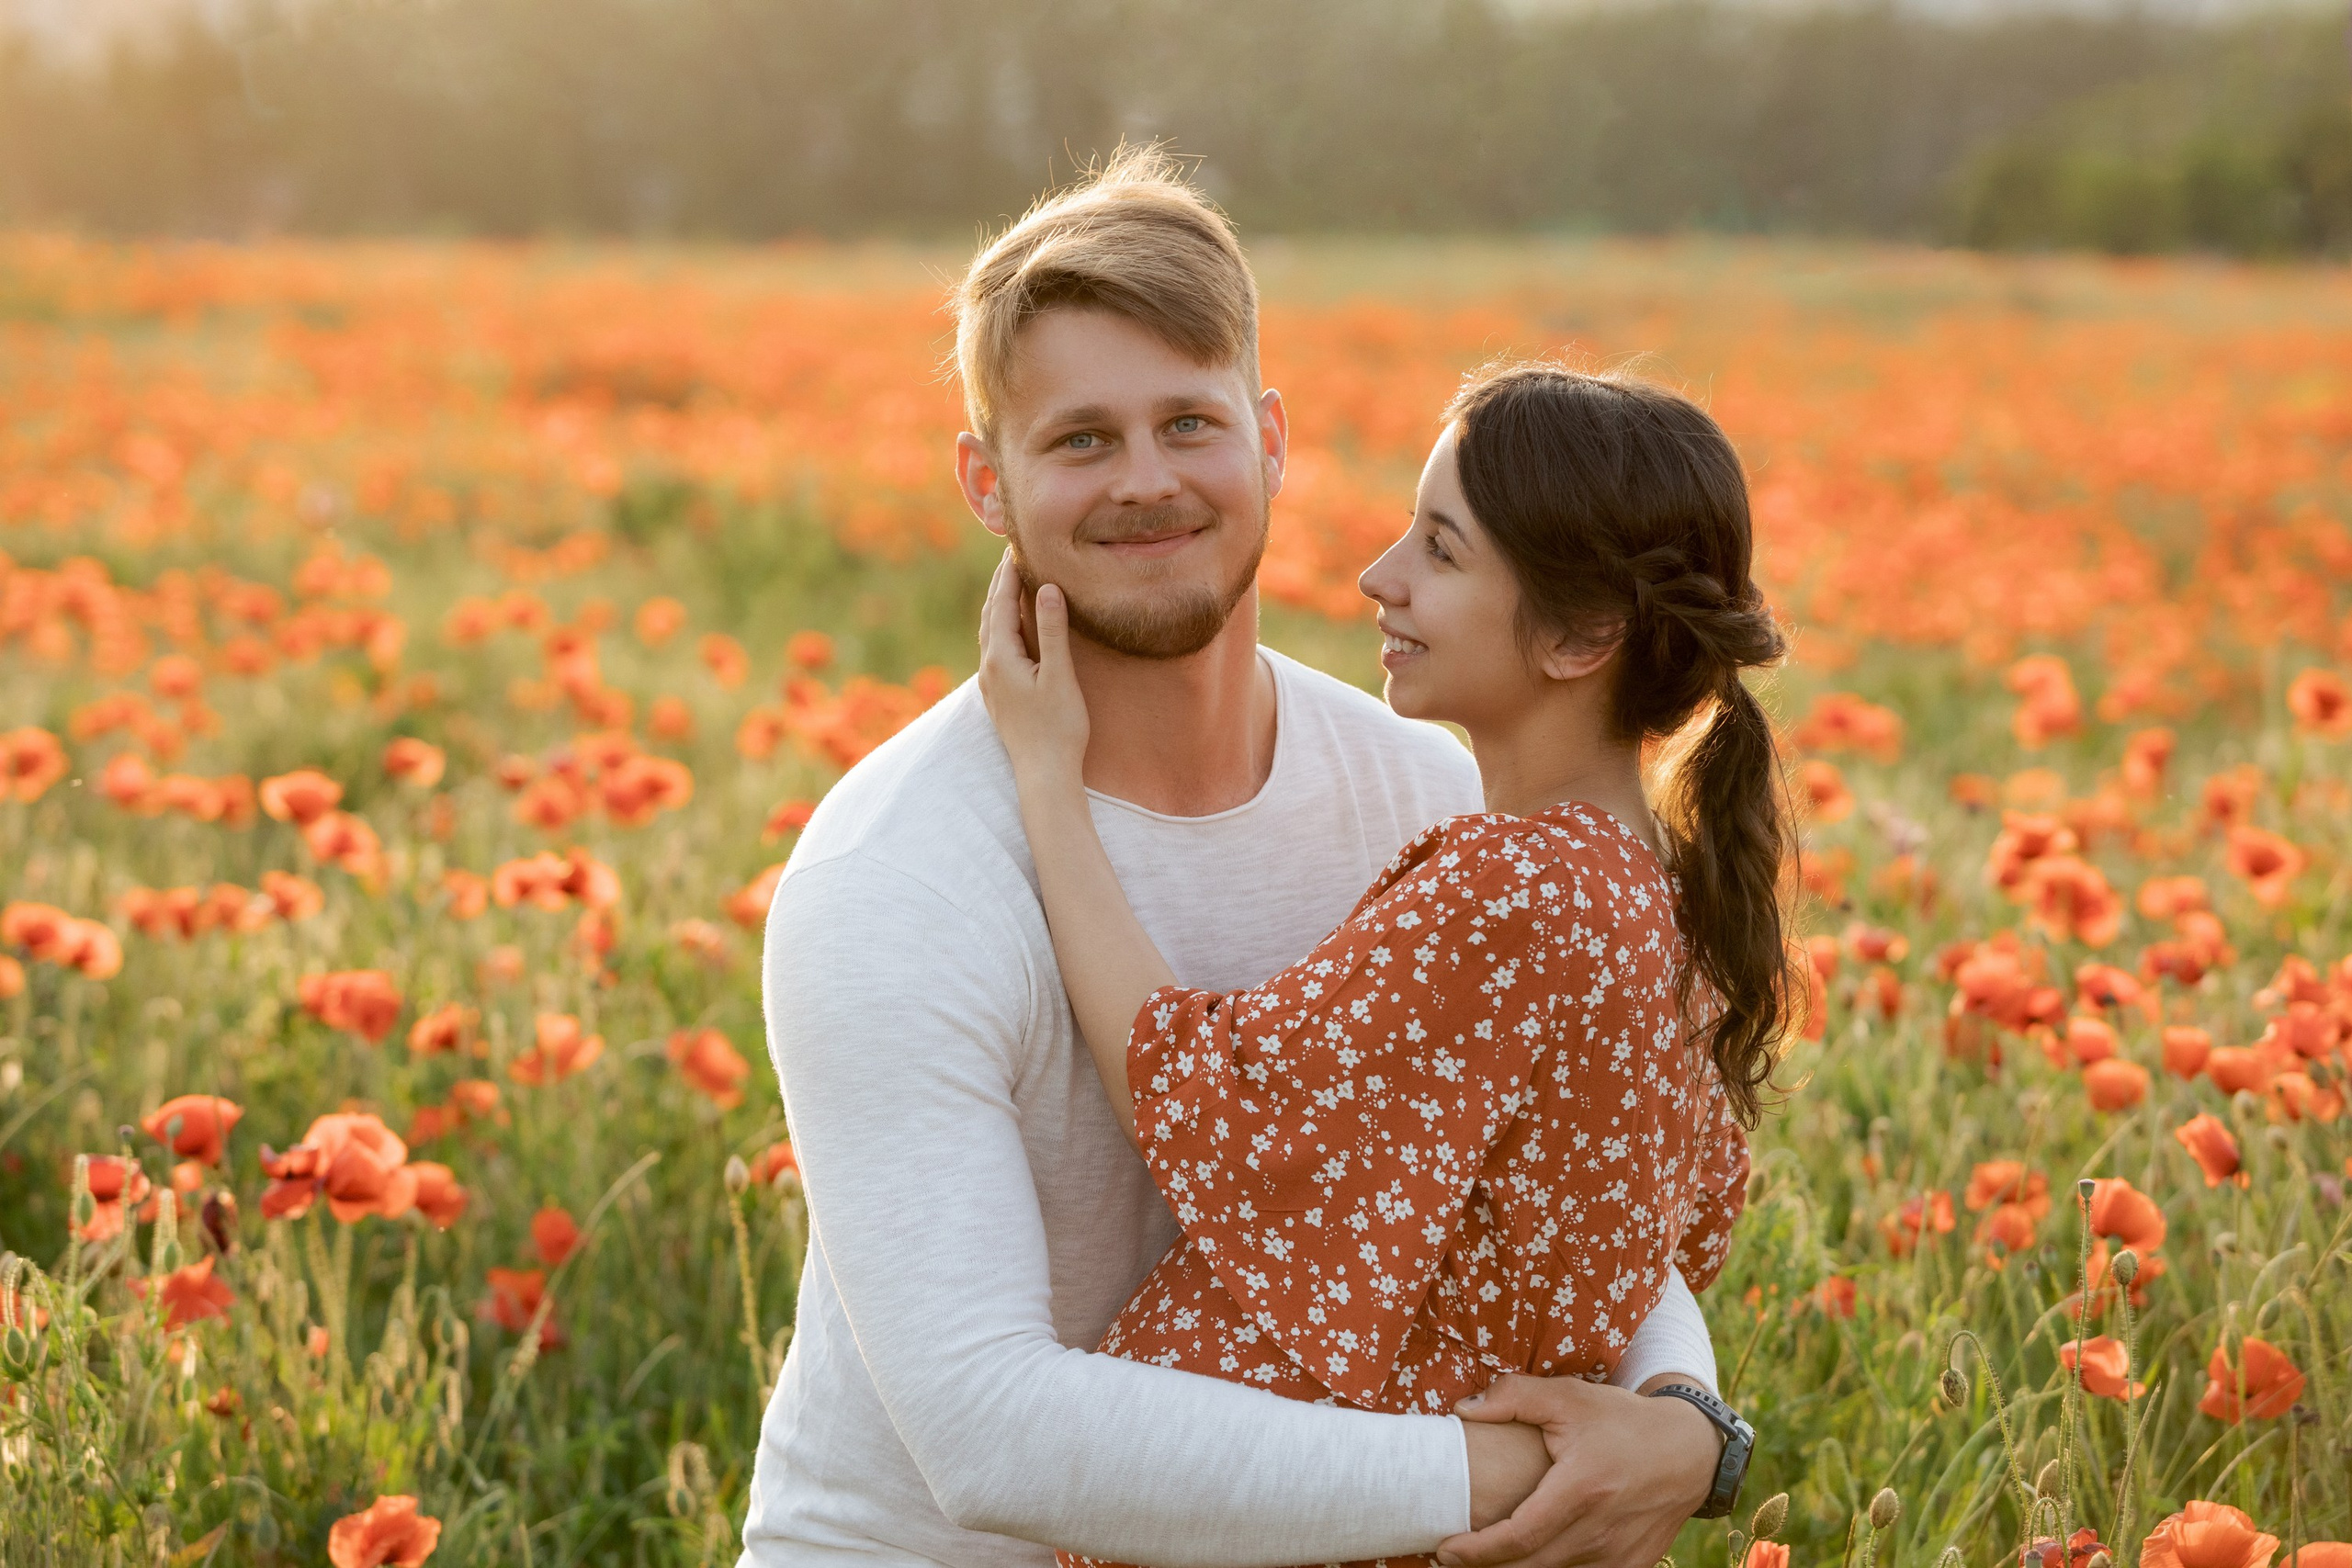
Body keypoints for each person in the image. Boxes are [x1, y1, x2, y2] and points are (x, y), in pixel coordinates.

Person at [741, 148, 1749, 1568]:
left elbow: (1572, 1177)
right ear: (987, 481)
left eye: (1188, 424)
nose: (1146, 483)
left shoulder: (1423, 791)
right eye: (1080, 439)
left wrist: (1687, 1421)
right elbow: (991, 1438)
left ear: (1269, 438)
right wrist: (1521, 1471)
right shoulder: (896, 872)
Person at [978, 356, 1791, 1568]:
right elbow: (1679, 1228)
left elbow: (1211, 1095)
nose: (1380, 576)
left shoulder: (1522, 887)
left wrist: (1047, 774)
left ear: (1580, 637)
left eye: (1443, 552)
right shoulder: (1659, 893)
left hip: (1339, 1521)